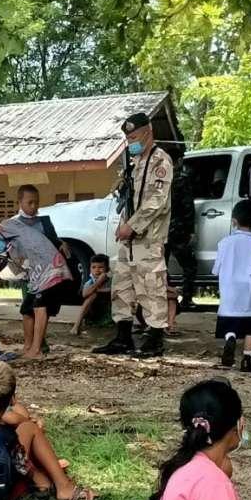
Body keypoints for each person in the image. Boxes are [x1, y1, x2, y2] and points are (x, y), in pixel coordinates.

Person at [94, 113, 172, 358]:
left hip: (149, 238)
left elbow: (156, 201)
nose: (131, 142)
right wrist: (123, 225)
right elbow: (130, 200)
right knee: (122, 286)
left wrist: (133, 226)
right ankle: (123, 337)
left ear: (148, 132)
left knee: (152, 287)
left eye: (134, 137)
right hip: (128, 240)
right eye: (128, 138)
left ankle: (155, 339)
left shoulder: (161, 161)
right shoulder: (134, 162)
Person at [0, 360, 95, 500]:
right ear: (12, 399)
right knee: (29, 428)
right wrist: (40, 478)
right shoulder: (8, 438)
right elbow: (24, 466)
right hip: (2, 494)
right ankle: (64, 486)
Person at [0, 185, 74, 360]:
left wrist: (61, 244)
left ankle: (36, 350)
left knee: (40, 307)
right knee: (27, 309)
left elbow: (53, 241)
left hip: (49, 272)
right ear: (20, 202)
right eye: (30, 202)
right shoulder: (12, 224)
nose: (34, 206)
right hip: (33, 274)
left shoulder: (43, 222)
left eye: (36, 203)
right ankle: (28, 346)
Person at [214, 199, 251, 372]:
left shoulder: (224, 243)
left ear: (233, 221)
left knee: (230, 321)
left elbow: (216, 269)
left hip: (231, 290)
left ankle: (230, 337)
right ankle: (248, 358)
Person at [165, 142, 198, 311]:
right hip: (178, 230)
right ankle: (186, 299)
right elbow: (188, 206)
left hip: (160, 230)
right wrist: (191, 230)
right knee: (189, 265)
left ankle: (164, 295)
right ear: (178, 161)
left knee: (161, 266)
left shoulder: (158, 179)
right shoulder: (181, 179)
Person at [72, 255, 112, 336]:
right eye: (93, 267)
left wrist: (99, 290)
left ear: (107, 269)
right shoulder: (90, 282)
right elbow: (84, 294)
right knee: (92, 295)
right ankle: (77, 325)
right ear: (90, 269)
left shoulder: (111, 280)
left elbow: (113, 291)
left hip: (109, 309)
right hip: (94, 311)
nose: (97, 270)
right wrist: (99, 282)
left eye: (100, 267)